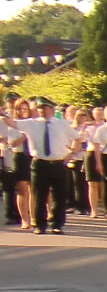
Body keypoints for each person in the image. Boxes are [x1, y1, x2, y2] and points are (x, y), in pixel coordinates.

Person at [24, 97, 77, 233]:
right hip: (40, 163)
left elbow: (78, 137)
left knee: (59, 196)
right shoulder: (32, 123)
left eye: (45, 108)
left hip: (58, 163)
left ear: (52, 110)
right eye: (40, 108)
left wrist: (71, 153)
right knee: (40, 196)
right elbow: (12, 123)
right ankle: (40, 225)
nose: (42, 111)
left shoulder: (62, 124)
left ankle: (57, 224)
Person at [6, 99, 32, 230]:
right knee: (22, 190)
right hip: (20, 156)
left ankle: (34, 217)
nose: (23, 111)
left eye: (25, 109)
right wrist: (24, 136)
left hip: (32, 157)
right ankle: (24, 220)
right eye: (20, 109)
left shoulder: (33, 123)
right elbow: (12, 143)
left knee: (34, 189)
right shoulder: (14, 124)